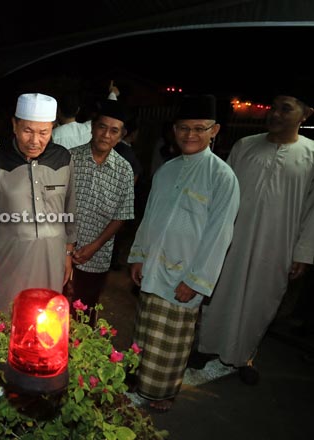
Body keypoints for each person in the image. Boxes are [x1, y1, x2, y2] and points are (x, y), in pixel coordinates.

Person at [127, 94, 240, 412]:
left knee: (172, 343)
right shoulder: (166, 170)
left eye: (199, 128)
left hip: (184, 275)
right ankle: (141, 382)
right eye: (183, 128)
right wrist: (137, 255)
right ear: (173, 130)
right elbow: (148, 217)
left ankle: (163, 393)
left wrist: (196, 280)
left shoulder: (222, 178)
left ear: (214, 130)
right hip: (153, 267)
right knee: (146, 332)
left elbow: (220, 236)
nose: (190, 135)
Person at [197, 89, 314, 385]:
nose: (274, 114)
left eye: (285, 109)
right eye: (273, 107)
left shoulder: (311, 156)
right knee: (222, 291)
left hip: (279, 244)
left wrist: (303, 252)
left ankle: (243, 356)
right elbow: (223, 193)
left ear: (306, 114)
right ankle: (206, 347)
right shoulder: (245, 145)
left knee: (261, 301)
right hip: (233, 237)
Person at [0, 92, 76, 313]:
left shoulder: (63, 159)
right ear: (14, 125)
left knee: (45, 319)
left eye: (43, 132)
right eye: (27, 131)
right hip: (8, 259)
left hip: (52, 258)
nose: (34, 140)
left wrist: (68, 255)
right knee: (5, 317)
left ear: (52, 129)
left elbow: (70, 209)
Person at [68, 99, 134, 308]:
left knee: (85, 314)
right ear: (92, 128)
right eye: (102, 127)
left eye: (114, 131)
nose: (106, 135)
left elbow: (122, 215)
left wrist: (94, 246)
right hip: (61, 252)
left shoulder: (124, 170)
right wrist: (66, 247)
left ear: (121, 136)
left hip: (97, 256)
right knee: (54, 313)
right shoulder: (69, 159)